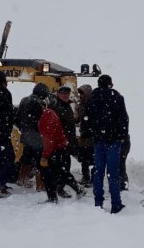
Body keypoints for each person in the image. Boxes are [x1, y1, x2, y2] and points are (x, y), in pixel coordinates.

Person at [85, 74, 129, 213]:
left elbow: (86, 119)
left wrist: (91, 133)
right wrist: (122, 135)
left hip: (98, 140)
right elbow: (123, 118)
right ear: (110, 84)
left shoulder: (91, 99)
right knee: (113, 173)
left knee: (98, 172)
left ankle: (98, 202)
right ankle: (116, 204)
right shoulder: (117, 97)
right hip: (113, 140)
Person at [38, 105, 83, 203]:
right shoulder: (49, 112)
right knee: (61, 172)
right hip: (61, 146)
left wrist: (45, 156)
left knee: (46, 173)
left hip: (56, 148)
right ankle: (78, 189)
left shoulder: (45, 118)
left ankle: (52, 198)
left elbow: (49, 140)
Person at [50, 86, 85, 198]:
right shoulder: (55, 107)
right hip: (59, 144)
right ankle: (77, 189)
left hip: (67, 142)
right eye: (63, 93)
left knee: (64, 167)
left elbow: (69, 124)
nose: (65, 95)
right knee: (63, 169)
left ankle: (59, 189)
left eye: (67, 93)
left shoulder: (66, 106)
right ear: (58, 94)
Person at [16, 83, 49, 190]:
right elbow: (42, 122)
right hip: (37, 137)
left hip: (26, 136)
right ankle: (41, 185)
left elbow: (16, 118)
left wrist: (23, 129)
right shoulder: (39, 103)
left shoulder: (24, 100)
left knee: (26, 159)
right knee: (40, 161)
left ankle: (22, 180)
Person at [75, 84, 95, 187]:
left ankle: (93, 178)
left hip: (92, 136)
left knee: (93, 158)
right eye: (80, 93)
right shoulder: (80, 104)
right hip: (84, 136)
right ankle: (86, 177)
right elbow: (78, 118)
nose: (80, 95)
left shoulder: (93, 104)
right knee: (84, 158)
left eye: (82, 93)